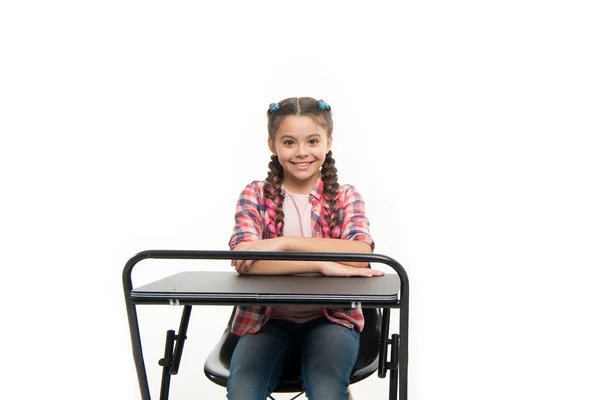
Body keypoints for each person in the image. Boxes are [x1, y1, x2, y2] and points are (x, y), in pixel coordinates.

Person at [227, 97, 383, 400]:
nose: (301, 152)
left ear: (328, 142)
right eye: (289, 142)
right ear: (273, 145)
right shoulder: (255, 194)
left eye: (312, 141)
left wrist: (284, 244)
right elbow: (245, 258)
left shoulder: (346, 196)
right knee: (243, 393)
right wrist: (322, 264)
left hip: (331, 319)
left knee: (325, 390)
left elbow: (359, 256)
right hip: (266, 320)